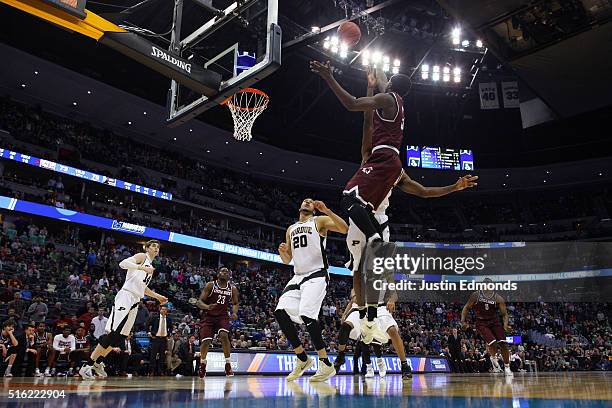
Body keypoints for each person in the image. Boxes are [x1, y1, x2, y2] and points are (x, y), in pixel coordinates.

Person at [275, 198, 348, 382]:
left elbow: (344, 228)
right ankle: (302, 358)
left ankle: (325, 363)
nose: (307, 201)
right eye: (305, 200)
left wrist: (328, 210)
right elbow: (287, 260)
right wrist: (282, 251)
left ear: (313, 209)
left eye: (310, 201)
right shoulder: (290, 229)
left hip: (317, 274)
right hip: (298, 276)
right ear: (300, 206)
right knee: (280, 312)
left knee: (307, 315)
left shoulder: (319, 221)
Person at [79, 240, 167, 380]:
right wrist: (142, 268)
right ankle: (87, 366)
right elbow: (122, 264)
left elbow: (142, 287)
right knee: (113, 333)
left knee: (120, 337)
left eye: (158, 247)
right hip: (126, 296)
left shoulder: (150, 266)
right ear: (147, 248)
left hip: (135, 300)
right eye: (153, 246)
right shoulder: (141, 257)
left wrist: (157, 296)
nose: (156, 248)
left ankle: (98, 362)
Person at [461, 278, 513, 377]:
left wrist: (505, 325)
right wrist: (463, 321)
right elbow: (466, 307)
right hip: (481, 322)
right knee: (492, 342)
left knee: (503, 344)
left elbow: (505, 314)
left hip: (494, 321)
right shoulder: (476, 295)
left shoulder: (498, 298)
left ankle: (507, 367)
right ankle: (493, 357)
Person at [196, 267, 238, 378]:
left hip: (222, 316)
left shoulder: (232, 289)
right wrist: (207, 306)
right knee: (206, 341)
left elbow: (235, 303)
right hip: (208, 316)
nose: (225, 273)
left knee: (224, 335)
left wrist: (234, 313)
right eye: (223, 271)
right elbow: (199, 302)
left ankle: (228, 364)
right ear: (218, 274)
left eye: (227, 271)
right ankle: (203, 364)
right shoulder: (210, 285)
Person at [148, 305, 172, 376]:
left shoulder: (168, 319)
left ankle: (160, 371)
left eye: (165, 310)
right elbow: (147, 324)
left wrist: (169, 334)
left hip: (164, 339)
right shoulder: (155, 317)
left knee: (162, 356)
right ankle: (151, 371)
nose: (164, 311)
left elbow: (171, 327)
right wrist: (149, 333)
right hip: (156, 338)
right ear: (160, 310)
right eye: (163, 309)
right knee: (153, 355)